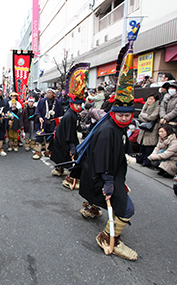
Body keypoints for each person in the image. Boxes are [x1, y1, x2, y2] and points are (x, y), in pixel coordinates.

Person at [77, 42, 139, 260]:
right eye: (120, 114)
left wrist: (128, 155)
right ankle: (107, 237)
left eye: (127, 115)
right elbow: (102, 157)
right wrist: (108, 180)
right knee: (127, 209)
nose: (123, 118)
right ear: (113, 111)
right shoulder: (107, 130)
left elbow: (120, 148)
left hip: (112, 174)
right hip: (103, 176)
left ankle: (92, 207)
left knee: (107, 200)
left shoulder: (118, 126)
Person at [50, 63, 89, 183]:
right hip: (63, 140)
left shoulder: (73, 113)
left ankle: (60, 169)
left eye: (80, 104)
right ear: (71, 103)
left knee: (62, 157)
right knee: (70, 157)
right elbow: (69, 133)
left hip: (62, 139)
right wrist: (72, 145)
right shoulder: (70, 115)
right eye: (76, 104)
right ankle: (71, 178)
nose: (78, 106)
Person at [32, 88, 63, 159]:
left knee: (50, 137)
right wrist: (39, 117)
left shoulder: (57, 103)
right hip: (42, 122)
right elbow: (37, 111)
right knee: (40, 136)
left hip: (52, 122)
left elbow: (60, 114)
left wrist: (57, 123)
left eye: (50, 92)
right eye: (47, 92)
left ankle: (48, 151)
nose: (48, 94)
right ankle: (37, 152)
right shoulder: (42, 101)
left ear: (54, 94)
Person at [136, 93, 160, 166]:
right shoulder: (146, 105)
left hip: (151, 128)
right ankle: (140, 158)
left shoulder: (157, 107)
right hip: (144, 127)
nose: (149, 100)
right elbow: (140, 115)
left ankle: (146, 161)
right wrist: (146, 117)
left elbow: (152, 117)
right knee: (142, 145)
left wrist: (145, 116)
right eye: (149, 98)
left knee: (149, 145)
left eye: (151, 99)